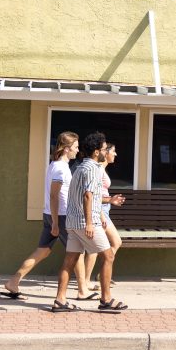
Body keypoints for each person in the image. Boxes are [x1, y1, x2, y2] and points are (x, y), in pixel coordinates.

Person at [1, 131, 93, 300]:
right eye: (75, 147)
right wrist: (56, 223)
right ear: (66, 149)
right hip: (62, 216)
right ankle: (82, 290)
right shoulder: (59, 168)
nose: (77, 150)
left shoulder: (55, 165)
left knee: (42, 251)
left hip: (52, 214)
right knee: (77, 251)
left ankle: (14, 281)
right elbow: (53, 195)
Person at [52, 132, 126, 313]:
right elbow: (88, 196)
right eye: (102, 149)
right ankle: (106, 300)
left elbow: (88, 195)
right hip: (86, 222)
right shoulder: (94, 169)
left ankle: (60, 300)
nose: (104, 151)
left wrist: (110, 200)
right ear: (95, 151)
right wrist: (90, 223)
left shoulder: (79, 168)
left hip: (72, 223)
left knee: (69, 261)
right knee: (108, 256)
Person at [83, 142, 124, 290]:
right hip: (100, 210)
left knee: (111, 243)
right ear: (105, 153)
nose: (115, 154)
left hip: (104, 209)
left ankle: (100, 274)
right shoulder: (98, 169)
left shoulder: (102, 169)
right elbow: (92, 194)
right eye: (113, 151)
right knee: (100, 245)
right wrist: (100, 214)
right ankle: (87, 280)